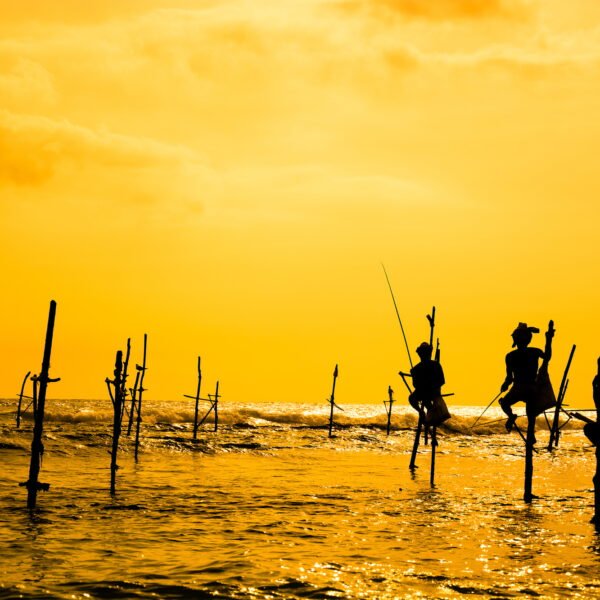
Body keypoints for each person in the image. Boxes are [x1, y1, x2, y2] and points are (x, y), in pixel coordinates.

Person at [499, 322, 553, 432]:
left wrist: (505, 385)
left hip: (518, 388)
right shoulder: (534, 351)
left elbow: (509, 377)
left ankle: (511, 416)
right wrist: (549, 340)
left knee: (504, 403)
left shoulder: (510, 356)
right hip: (531, 389)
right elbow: (547, 357)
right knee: (531, 414)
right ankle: (531, 434)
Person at [408, 342, 447, 424]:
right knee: (412, 398)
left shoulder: (436, 365)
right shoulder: (416, 369)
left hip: (434, 393)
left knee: (424, 400)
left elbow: (441, 381)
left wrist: (431, 387)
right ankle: (422, 412)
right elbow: (415, 385)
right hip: (422, 393)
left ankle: (430, 414)